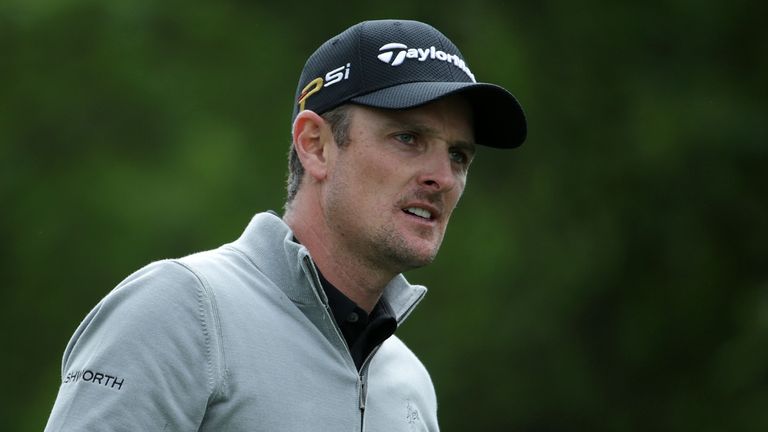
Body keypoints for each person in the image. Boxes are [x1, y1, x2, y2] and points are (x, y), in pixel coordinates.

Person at [44, 19, 526, 431]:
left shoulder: (410, 384)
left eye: (458, 155)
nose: (442, 178)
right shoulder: (183, 308)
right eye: (407, 137)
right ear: (315, 145)